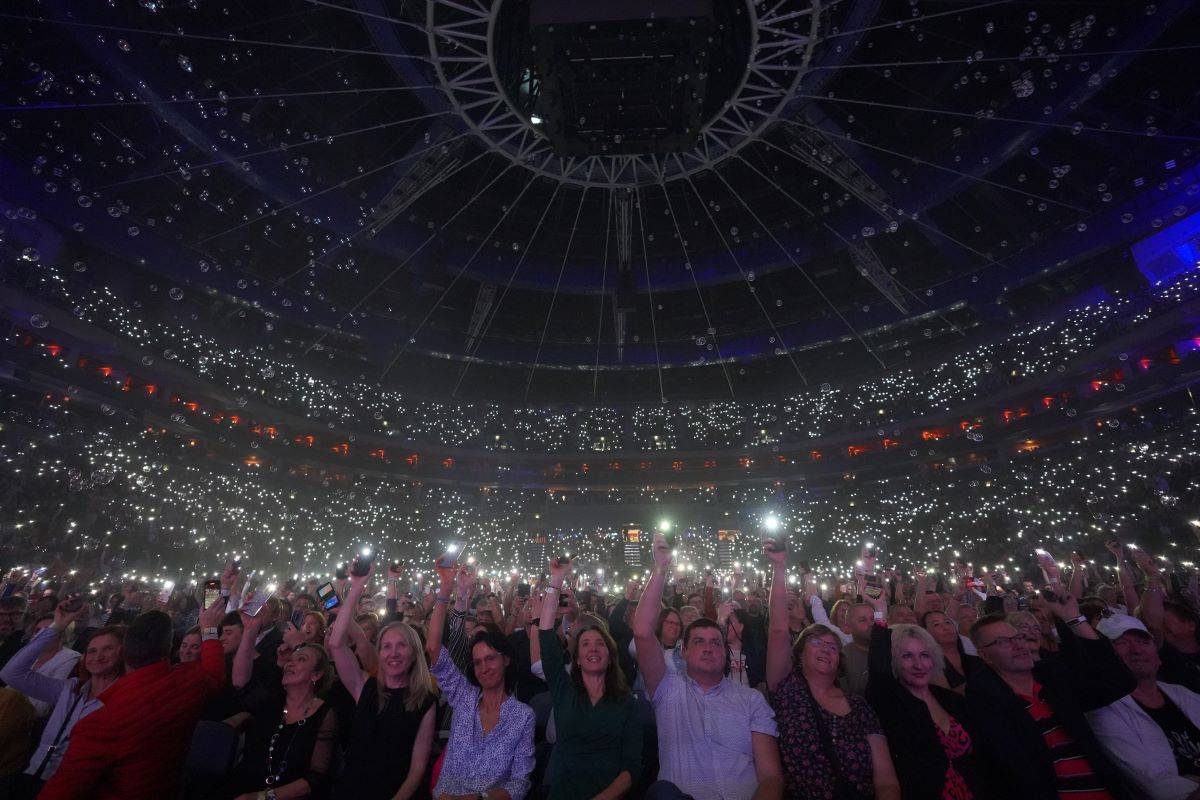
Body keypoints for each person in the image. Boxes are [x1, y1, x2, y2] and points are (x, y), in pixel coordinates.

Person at [634, 536, 784, 800]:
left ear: (725, 652)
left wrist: (780, 568)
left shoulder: (751, 700)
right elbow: (644, 632)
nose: (708, 648)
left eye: (715, 642)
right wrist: (660, 569)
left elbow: (771, 777)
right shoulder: (667, 689)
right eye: (699, 641)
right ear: (684, 650)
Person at [38, 600, 227, 800]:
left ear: (123, 652)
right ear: (169, 648)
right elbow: (215, 674)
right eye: (92, 651)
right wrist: (209, 628)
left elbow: (60, 792)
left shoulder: (99, 725)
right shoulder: (187, 683)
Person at [765, 545, 900, 800]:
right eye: (816, 642)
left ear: (841, 659)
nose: (826, 649)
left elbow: (886, 780)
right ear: (799, 653)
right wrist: (779, 567)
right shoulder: (787, 689)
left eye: (832, 646)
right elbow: (778, 630)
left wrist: (880, 608)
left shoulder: (859, 707)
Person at [966, 596, 1135, 798]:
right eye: (1003, 642)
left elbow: (1119, 683)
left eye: (1019, 637)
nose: (1019, 645)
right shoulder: (987, 701)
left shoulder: (1054, 679)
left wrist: (1074, 619)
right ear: (985, 656)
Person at [424, 560, 535, 800]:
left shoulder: (523, 716)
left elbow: (519, 783)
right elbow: (433, 648)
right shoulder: (463, 698)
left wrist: (479, 798)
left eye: (490, 659)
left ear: (505, 660)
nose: (484, 667)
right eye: (477, 662)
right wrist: (446, 589)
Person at [329, 559, 437, 800]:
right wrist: (356, 587)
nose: (393, 653)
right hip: (352, 789)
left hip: (395, 791)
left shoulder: (425, 701)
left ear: (413, 655)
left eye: (401, 646)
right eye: (386, 647)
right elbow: (336, 644)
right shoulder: (364, 688)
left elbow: (417, 770)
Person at [864, 587, 984, 799]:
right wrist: (880, 611)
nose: (919, 664)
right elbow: (879, 669)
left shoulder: (951, 700)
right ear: (894, 660)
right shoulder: (892, 702)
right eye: (907, 656)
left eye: (925, 655)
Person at [537, 557, 641, 799]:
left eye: (599, 644)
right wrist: (556, 580)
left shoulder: (626, 703)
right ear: (578, 658)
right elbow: (545, 634)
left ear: (610, 655)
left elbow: (632, 767)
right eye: (585, 644)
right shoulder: (564, 691)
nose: (593, 648)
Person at [0, 601, 123, 799]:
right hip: (32, 775)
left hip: (73, 789)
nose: (97, 656)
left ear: (124, 653)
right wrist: (57, 626)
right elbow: (11, 673)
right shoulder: (69, 689)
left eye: (108, 649)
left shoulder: (123, 699)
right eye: (91, 650)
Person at [227, 607, 339, 800]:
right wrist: (250, 631)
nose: (290, 663)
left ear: (317, 674)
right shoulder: (273, 699)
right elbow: (240, 682)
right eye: (290, 660)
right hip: (243, 788)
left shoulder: (324, 714)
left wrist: (261, 798)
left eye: (301, 659)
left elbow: (315, 778)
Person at [1087, 613, 1200, 799]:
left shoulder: (1182, 693)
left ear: (1158, 656)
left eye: (1144, 641)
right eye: (1122, 643)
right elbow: (1160, 787)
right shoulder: (1104, 711)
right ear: (1105, 657)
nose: (1136, 650)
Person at [7, 613, 81, 716]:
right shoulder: (31, 655)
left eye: (47, 631)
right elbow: (8, 683)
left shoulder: (70, 658)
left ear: (62, 634)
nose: (40, 635)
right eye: (37, 630)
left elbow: (45, 706)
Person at [923, 611, 981, 689]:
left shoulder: (976, 660)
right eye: (936, 624)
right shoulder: (930, 667)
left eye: (947, 622)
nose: (946, 628)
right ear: (926, 633)